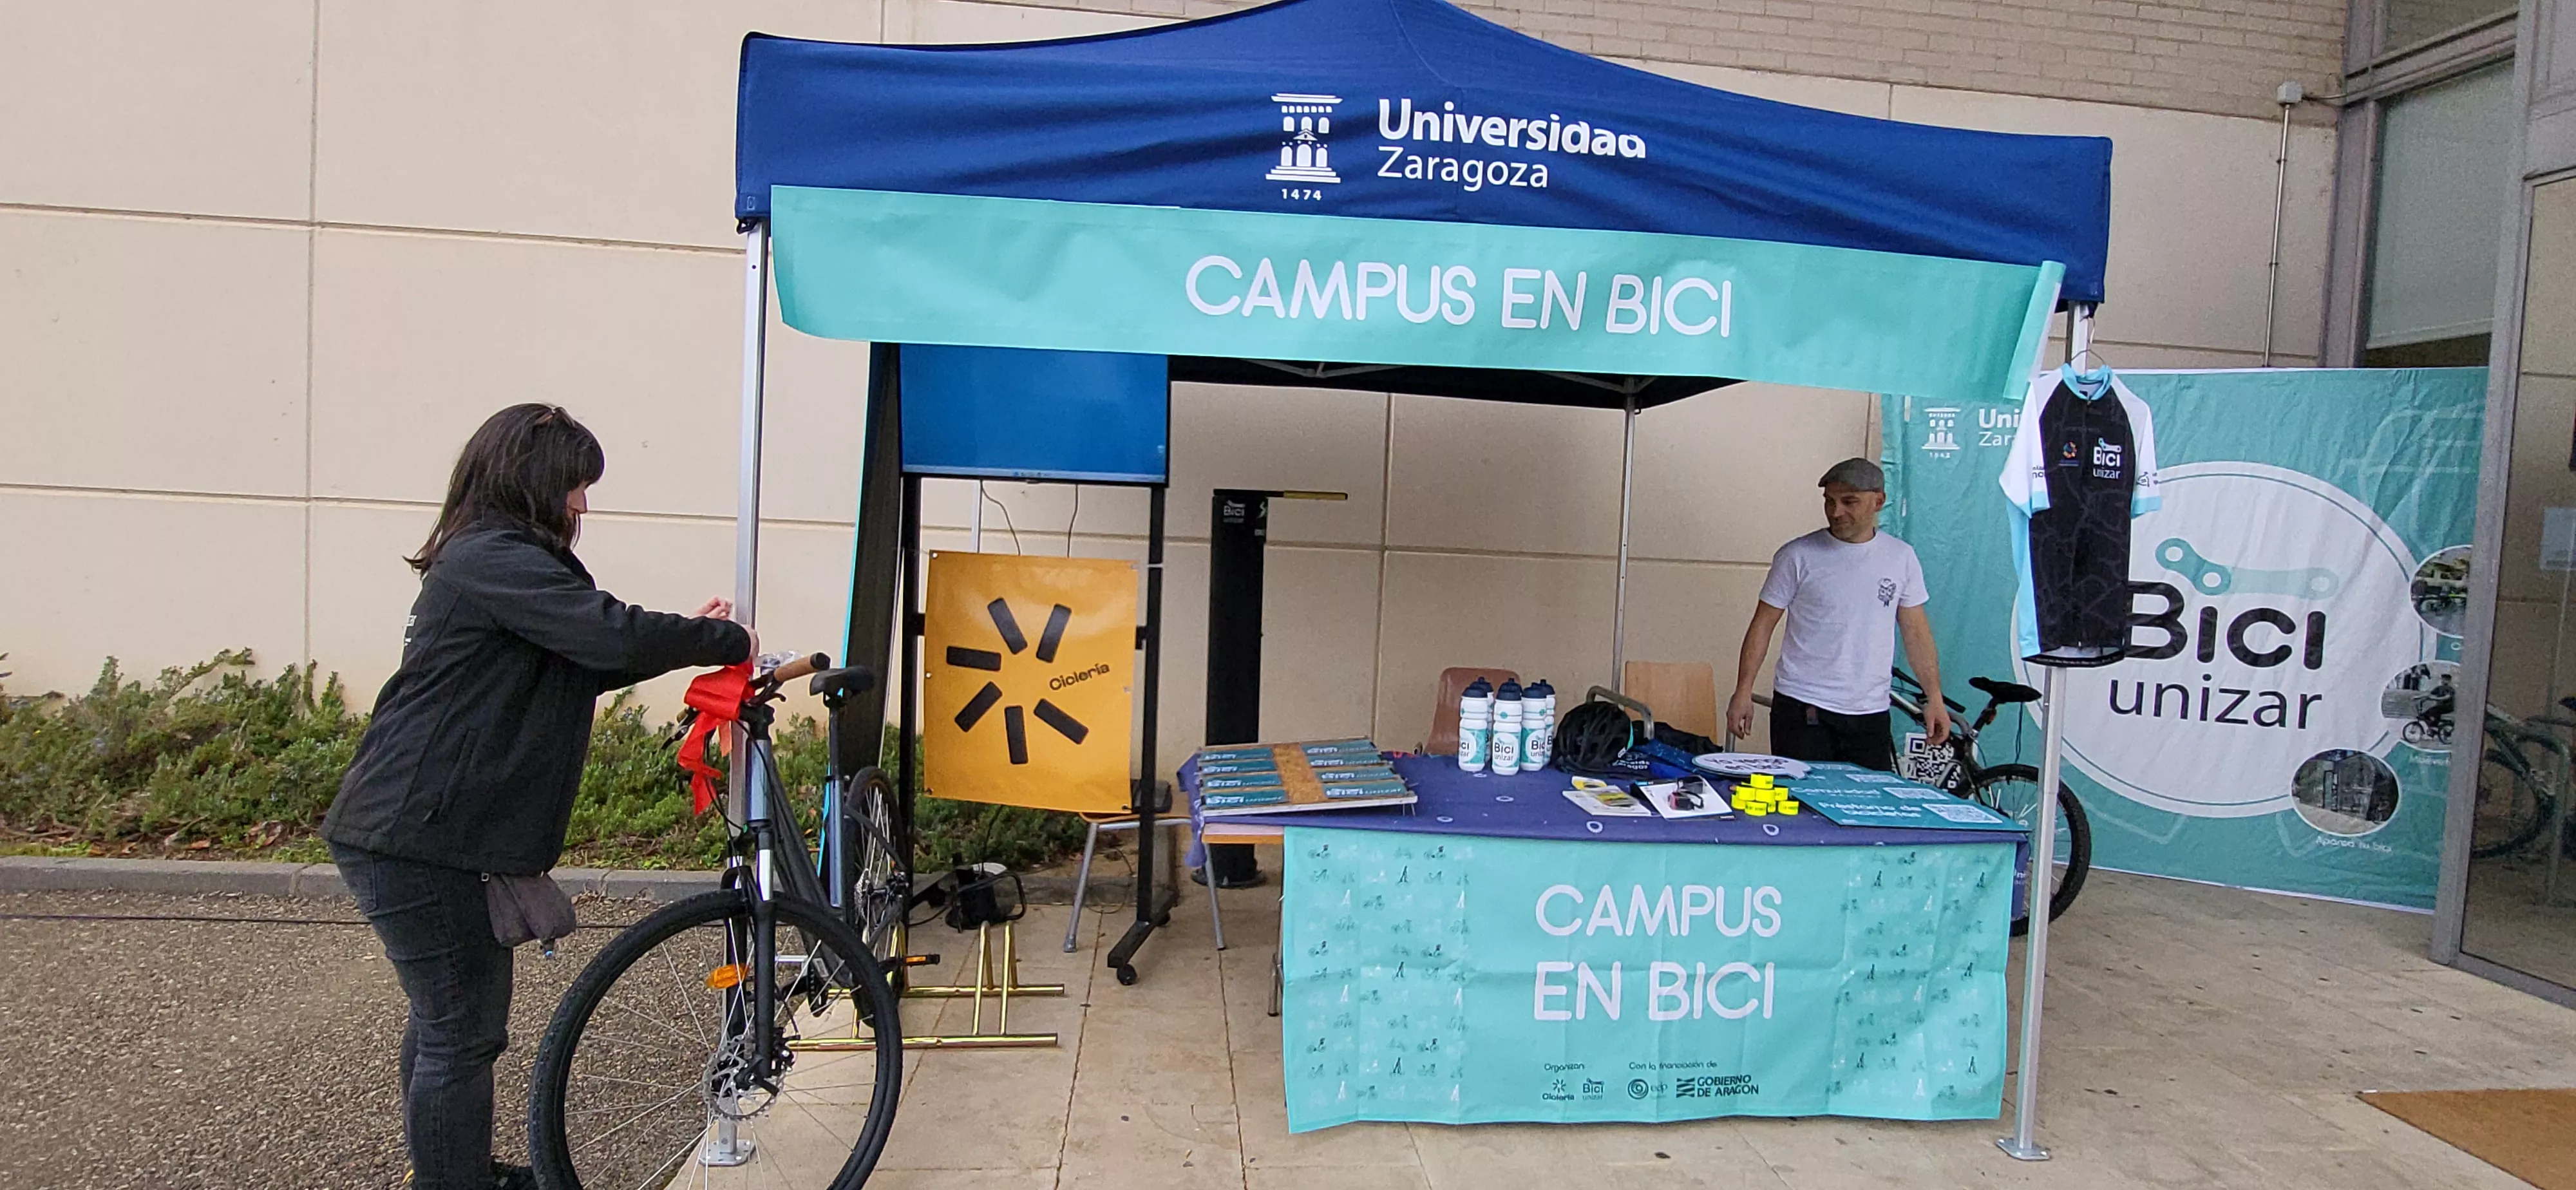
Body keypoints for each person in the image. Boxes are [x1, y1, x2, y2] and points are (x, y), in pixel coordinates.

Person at [321, 404, 755, 1190]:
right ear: (530, 481)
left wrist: (685, 632)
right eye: (573, 487)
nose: (581, 505)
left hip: (424, 828)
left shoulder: (496, 559)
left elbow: (584, 657)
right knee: (460, 1032)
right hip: (416, 833)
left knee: (446, 1021)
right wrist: (727, 642)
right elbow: (607, 634)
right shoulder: (493, 556)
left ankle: (457, 1173)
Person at [1726, 457, 1949, 770]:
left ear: (1878, 501)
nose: (1836, 512)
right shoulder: (1797, 555)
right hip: (1803, 707)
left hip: (1870, 710)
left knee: (1869, 809)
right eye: (1829, 501)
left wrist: (1934, 697)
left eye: (1849, 502)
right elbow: (1763, 625)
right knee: (1804, 807)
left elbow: (1916, 632)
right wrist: (1743, 691)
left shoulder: (1901, 557)